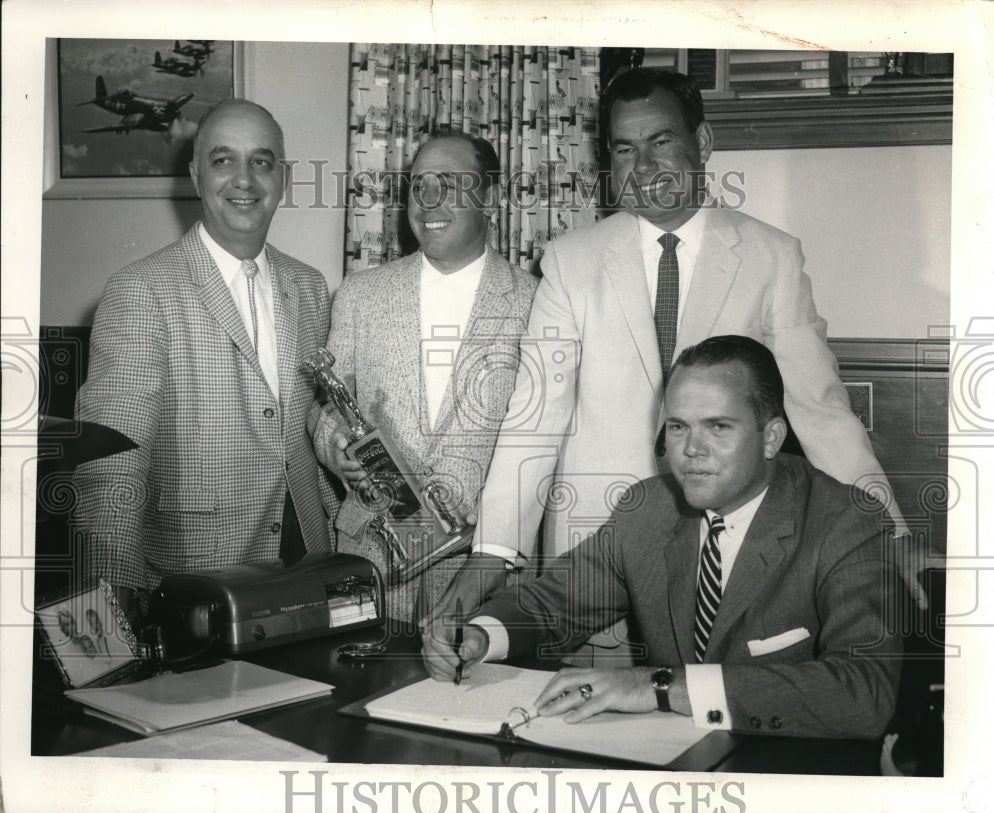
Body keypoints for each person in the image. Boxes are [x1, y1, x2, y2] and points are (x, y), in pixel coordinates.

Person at [434, 67, 923, 644]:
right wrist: (492, 552)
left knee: (715, 712)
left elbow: (821, 411)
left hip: (727, 554)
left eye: (661, 142)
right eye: (624, 149)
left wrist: (885, 531)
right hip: (594, 554)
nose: (643, 167)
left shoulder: (770, 257)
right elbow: (533, 418)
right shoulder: (569, 262)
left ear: (703, 144)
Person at [423, 336, 902, 740]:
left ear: (772, 437)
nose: (691, 450)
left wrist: (659, 685)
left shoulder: (848, 522)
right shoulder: (648, 508)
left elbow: (864, 692)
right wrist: (479, 636)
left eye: (718, 426)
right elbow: (553, 603)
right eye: (678, 427)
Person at [75, 99, 336, 619]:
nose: (244, 179)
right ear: (196, 177)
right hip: (193, 581)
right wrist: (103, 624)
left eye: (261, 162)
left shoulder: (310, 288)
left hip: (309, 567)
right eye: (223, 161)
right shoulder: (140, 291)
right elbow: (110, 465)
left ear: (281, 179)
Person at [310, 133, 538, 625]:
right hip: (367, 550)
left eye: (450, 183)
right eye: (419, 185)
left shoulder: (537, 302)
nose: (428, 201)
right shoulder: (360, 293)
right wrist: (338, 448)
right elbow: (326, 404)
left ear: (491, 198)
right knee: (356, 689)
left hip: (480, 563)